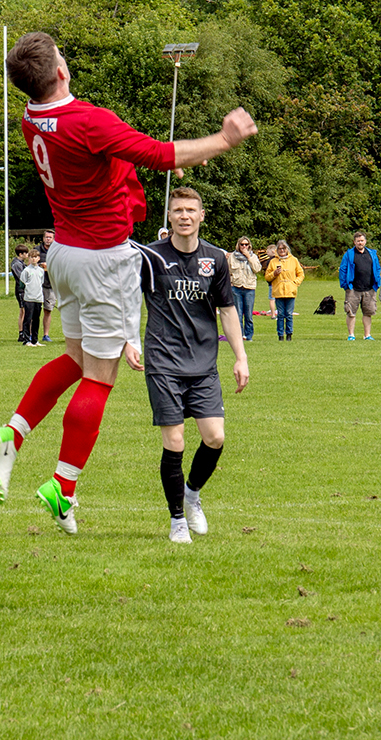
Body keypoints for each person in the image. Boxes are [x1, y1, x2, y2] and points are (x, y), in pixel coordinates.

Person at [0, 31, 256, 534]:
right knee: (99, 379)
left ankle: (15, 433)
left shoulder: (30, 116)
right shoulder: (85, 121)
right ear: (60, 72)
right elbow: (162, 155)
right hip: (102, 259)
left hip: (63, 252)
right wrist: (226, 139)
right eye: (63, 57)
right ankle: (62, 485)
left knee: (75, 358)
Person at [127, 187, 248, 543]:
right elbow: (130, 299)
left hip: (203, 363)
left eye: (190, 210)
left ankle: (192, 493)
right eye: (177, 210)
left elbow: (228, 310)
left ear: (201, 215)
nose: (184, 216)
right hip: (163, 361)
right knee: (175, 440)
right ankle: (177, 519)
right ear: (170, 217)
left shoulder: (217, 259)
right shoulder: (150, 257)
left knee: (215, 437)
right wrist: (129, 340)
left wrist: (240, 357)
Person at [338, 231, 380, 341]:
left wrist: (377, 282)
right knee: (351, 313)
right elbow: (342, 269)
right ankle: (351, 335)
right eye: (358, 241)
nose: (360, 243)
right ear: (354, 242)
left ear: (365, 241)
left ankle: (367, 335)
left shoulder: (372, 254)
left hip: (369, 289)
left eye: (362, 241)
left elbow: (377, 268)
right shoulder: (349, 254)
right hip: (353, 289)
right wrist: (345, 285)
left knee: (368, 312)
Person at [267, 240, 304, 341]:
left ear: (287, 249)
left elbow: (301, 274)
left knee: (289, 314)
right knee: (280, 314)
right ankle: (280, 335)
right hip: (278, 291)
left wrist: (295, 282)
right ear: (277, 250)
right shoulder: (273, 261)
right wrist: (274, 273)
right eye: (280, 249)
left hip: (290, 291)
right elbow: (267, 277)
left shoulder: (294, 260)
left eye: (284, 248)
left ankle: (289, 334)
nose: (282, 250)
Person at [227, 236, 262, 342]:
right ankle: (239, 336)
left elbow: (257, 269)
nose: (244, 246)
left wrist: (248, 257)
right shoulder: (232, 256)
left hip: (249, 288)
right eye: (242, 244)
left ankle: (249, 336)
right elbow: (227, 271)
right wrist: (230, 283)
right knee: (237, 314)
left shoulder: (253, 256)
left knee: (248, 314)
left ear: (249, 246)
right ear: (238, 245)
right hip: (236, 288)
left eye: (246, 244)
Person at [19, 250, 46, 347]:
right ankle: (26, 340)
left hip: (38, 298)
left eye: (35, 257)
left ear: (38, 258)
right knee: (28, 319)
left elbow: (41, 283)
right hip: (29, 298)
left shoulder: (41, 271)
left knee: (36, 319)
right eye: (32, 257)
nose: (34, 259)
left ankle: (35, 340)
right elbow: (22, 284)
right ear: (29, 258)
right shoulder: (26, 271)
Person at [38, 229, 57, 343]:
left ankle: (46, 334)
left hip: (51, 285)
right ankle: (31, 334)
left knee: (48, 310)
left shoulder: (56, 252)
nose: (48, 239)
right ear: (43, 238)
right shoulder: (37, 250)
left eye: (50, 237)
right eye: (46, 237)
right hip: (38, 286)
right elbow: (30, 263)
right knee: (34, 310)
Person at [13, 242, 31, 338]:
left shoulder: (21, 263)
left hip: (25, 290)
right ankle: (22, 332)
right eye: (26, 253)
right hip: (21, 290)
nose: (27, 255)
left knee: (25, 310)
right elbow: (22, 278)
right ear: (21, 254)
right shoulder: (16, 264)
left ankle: (25, 331)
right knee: (23, 311)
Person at [263, 243, 279, 319]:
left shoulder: (270, 261)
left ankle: (273, 314)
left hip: (273, 283)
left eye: (268, 252)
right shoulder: (278, 260)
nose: (267, 254)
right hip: (277, 283)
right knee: (276, 299)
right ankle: (275, 314)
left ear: (273, 251)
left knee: (272, 299)